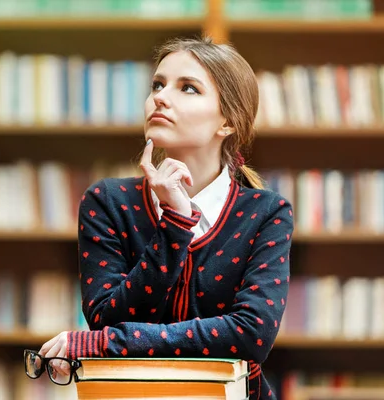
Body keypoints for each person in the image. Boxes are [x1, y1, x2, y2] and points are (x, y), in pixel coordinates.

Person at [38, 35, 294, 400]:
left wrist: (106, 342)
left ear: (227, 122)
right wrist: (175, 224)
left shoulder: (266, 212)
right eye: (157, 84)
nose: (160, 97)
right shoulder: (108, 201)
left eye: (188, 88)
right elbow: (106, 318)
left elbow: (251, 335)